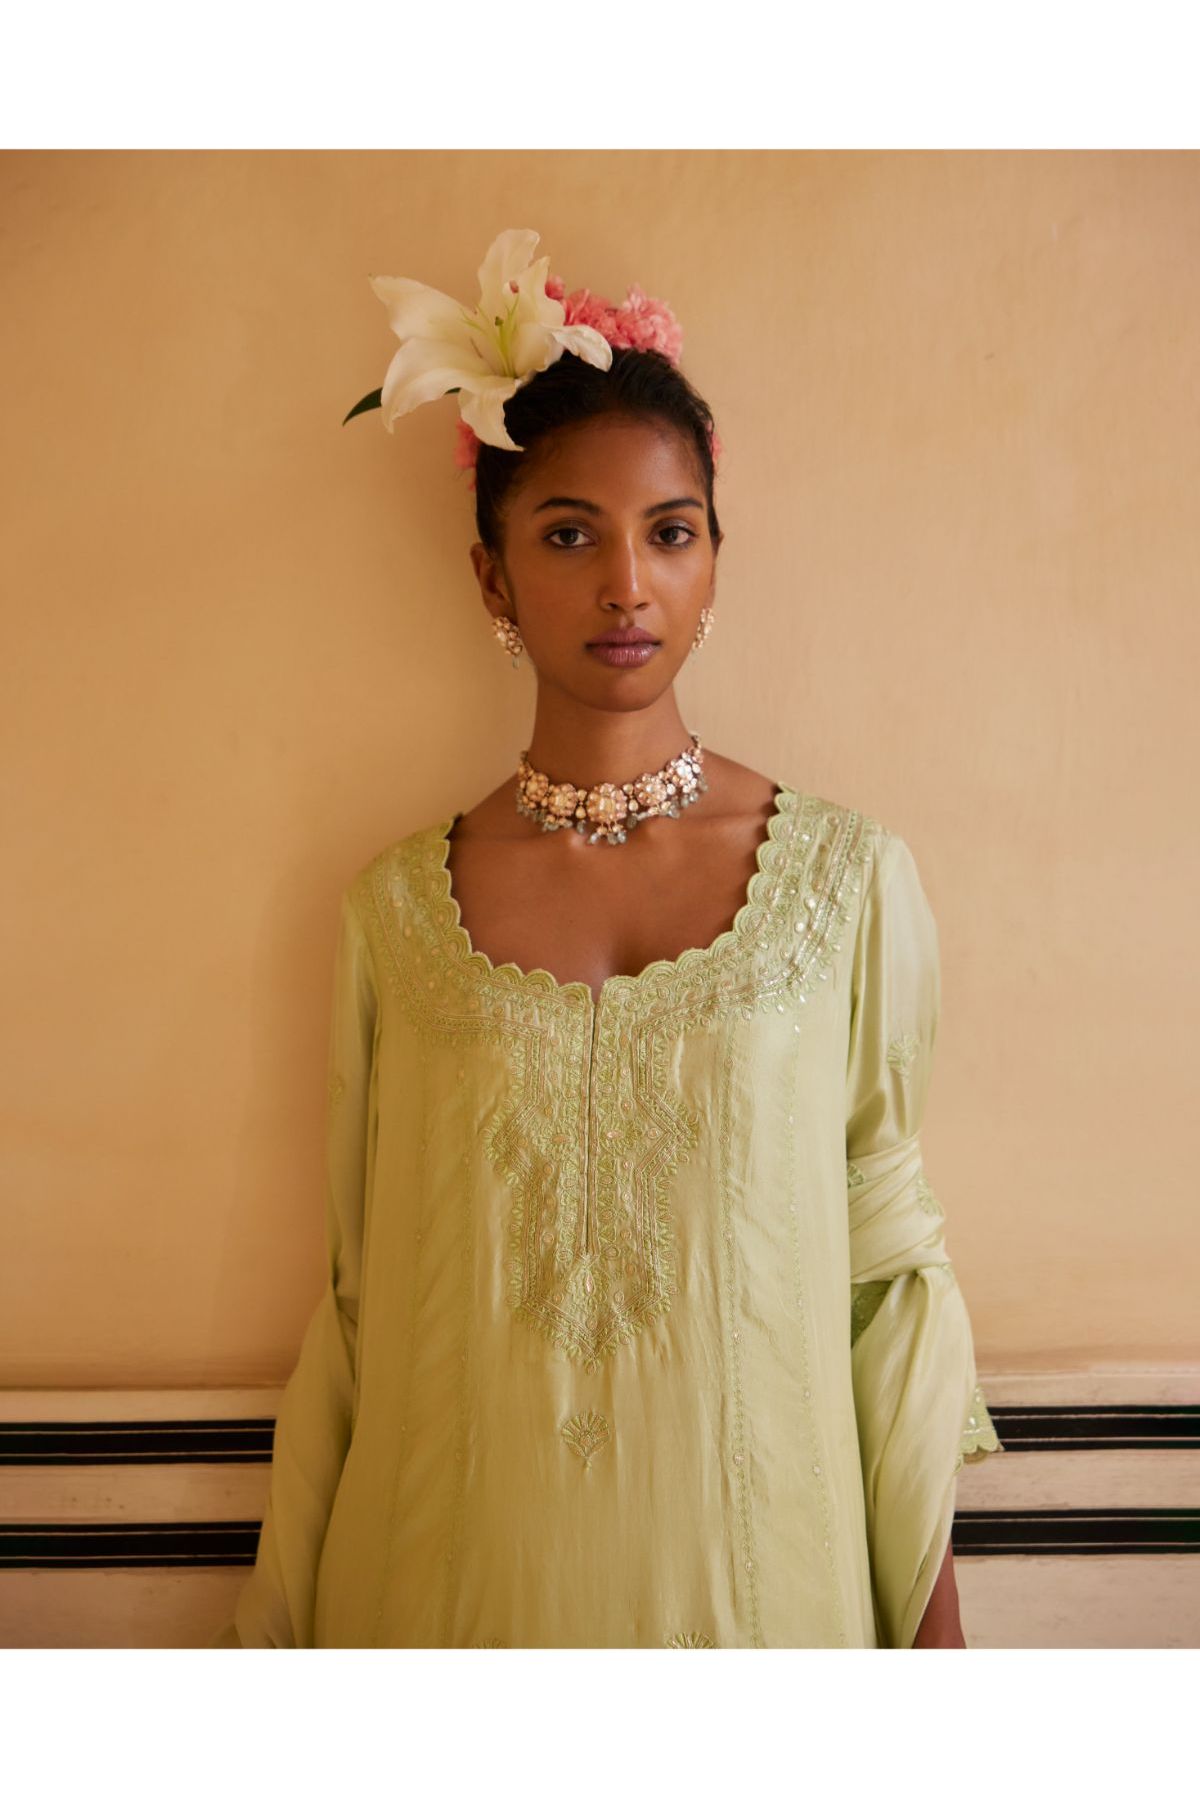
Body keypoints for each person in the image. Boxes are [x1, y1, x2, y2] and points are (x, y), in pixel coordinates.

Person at [211, 229, 1002, 1651]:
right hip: (443, 1607)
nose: (626, 583)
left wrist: (934, 1649)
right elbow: (358, 1303)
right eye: (569, 534)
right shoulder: (396, 915)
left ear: (715, 562)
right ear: (492, 578)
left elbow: (886, 1289)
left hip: (770, 1604)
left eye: (670, 532)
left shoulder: (844, 886)